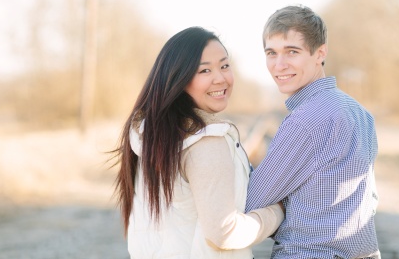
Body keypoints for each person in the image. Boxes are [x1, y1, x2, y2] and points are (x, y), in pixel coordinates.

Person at [113, 26, 284, 259]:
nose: (220, 78)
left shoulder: (153, 135)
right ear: (180, 79)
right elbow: (224, 233)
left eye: (224, 66)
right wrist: (277, 213)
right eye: (204, 71)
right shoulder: (206, 142)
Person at [245, 5, 380, 259]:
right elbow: (370, 199)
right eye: (271, 53)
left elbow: (251, 202)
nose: (279, 64)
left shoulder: (304, 121)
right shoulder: (361, 113)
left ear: (320, 53)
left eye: (292, 52)